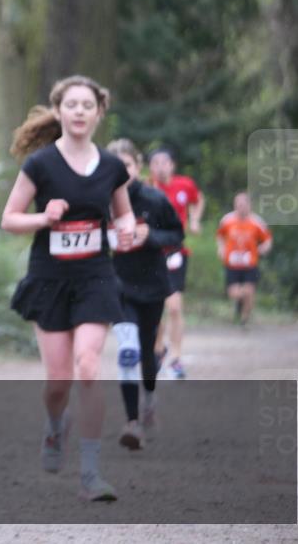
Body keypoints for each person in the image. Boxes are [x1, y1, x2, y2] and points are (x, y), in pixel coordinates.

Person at [1, 75, 135, 502]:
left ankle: (91, 474)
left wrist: (129, 231)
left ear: (99, 113)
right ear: (59, 112)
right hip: (50, 279)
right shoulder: (40, 165)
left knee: (88, 366)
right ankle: (55, 426)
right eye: (71, 105)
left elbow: (123, 216)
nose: (79, 111)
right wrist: (44, 219)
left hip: (95, 276)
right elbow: (10, 218)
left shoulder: (113, 168)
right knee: (58, 380)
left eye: (87, 105)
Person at [105, 139, 184, 450]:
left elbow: (177, 235)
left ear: (137, 167)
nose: (121, 171)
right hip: (116, 285)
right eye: (114, 166)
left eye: (126, 165)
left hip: (151, 285)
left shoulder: (154, 199)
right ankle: (131, 423)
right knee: (127, 350)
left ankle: (149, 399)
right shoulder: (100, 200)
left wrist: (150, 235)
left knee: (147, 355)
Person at [148, 148, 204, 379]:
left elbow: (198, 199)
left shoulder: (185, 185)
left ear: (173, 165)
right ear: (150, 167)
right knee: (154, 308)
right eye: (156, 163)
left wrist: (194, 219)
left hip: (176, 253)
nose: (160, 167)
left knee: (174, 306)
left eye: (165, 162)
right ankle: (158, 349)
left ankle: (177, 358)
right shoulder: (146, 189)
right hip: (150, 255)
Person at [216, 192, 272, 326]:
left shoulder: (257, 222)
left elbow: (267, 239)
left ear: (249, 205)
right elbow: (220, 236)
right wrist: (221, 248)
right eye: (237, 204)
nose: (240, 207)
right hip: (232, 263)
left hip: (249, 263)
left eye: (242, 204)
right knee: (234, 293)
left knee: (250, 291)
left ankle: (244, 319)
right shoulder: (227, 220)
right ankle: (240, 304)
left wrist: (264, 247)